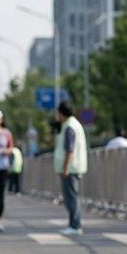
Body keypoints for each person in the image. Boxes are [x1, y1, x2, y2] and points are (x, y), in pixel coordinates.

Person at [55, 101, 87, 237]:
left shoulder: (70, 127)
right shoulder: (72, 125)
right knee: (72, 197)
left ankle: (75, 225)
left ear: (61, 113)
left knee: (72, 198)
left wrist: (66, 168)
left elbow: (70, 149)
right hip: (73, 167)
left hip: (71, 168)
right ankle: (73, 224)